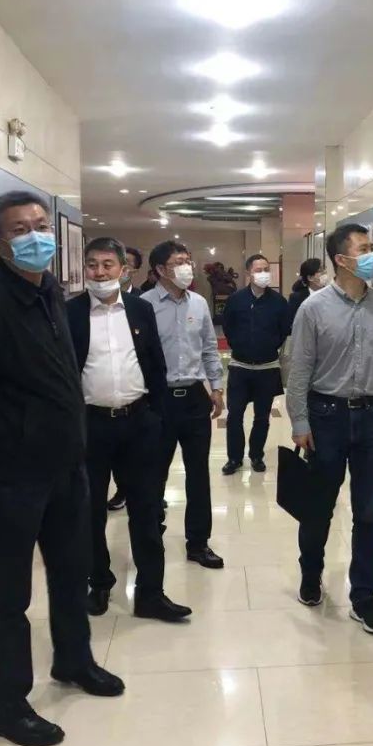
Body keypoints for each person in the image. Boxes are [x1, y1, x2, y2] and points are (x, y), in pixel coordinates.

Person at [0, 191, 124, 746]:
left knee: (71, 572)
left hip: (66, 468)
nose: (35, 235)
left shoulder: (47, 290)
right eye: (19, 229)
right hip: (11, 477)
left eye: (40, 224)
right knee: (7, 595)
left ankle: (74, 660)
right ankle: (7, 706)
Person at [287, 223, 373, 636]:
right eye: (364, 248)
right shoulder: (313, 308)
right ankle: (311, 573)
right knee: (319, 506)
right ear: (341, 259)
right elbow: (299, 370)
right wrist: (300, 421)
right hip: (326, 415)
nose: (372, 254)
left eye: (372, 246)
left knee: (369, 512)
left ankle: (364, 596)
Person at [67, 237, 191, 622]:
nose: (99, 272)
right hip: (90, 426)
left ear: (123, 269)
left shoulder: (140, 309)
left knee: (146, 511)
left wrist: (157, 416)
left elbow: (155, 364)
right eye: (92, 264)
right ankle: (99, 582)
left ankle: (151, 593)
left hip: (138, 423)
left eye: (107, 264)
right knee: (90, 512)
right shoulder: (70, 313)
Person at [142, 240, 226, 569]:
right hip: (158, 399)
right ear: (160, 269)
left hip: (193, 397)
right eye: (178, 262)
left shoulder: (199, 303)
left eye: (187, 260)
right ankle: (151, 534)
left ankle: (198, 542)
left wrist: (216, 388)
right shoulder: (143, 306)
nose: (186, 267)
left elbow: (209, 348)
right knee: (154, 474)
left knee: (198, 474)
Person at [220, 254, 290, 475]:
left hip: (267, 368)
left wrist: (269, 345)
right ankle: (234, 458)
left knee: (262, 417)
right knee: (235, 415)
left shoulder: (279, 302)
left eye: (266, 269)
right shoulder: (236, 300)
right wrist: (239, 344)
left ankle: (256, 455)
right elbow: (228, 327)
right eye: (258, 270)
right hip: (240, 367)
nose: (263, 273)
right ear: (249, 273)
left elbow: (284, 330)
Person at [107, 244, 146, 511]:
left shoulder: (144, 303)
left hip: (138, 397)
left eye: (127, 264)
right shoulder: (81, 308)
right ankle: (121, 489)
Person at [288, 257, 328, 327]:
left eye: (324, 269)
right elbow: (292, 324)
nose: (324, 273)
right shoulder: (296, 298)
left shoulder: (330, 294)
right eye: (320, 271)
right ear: (310, 278)